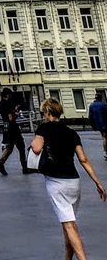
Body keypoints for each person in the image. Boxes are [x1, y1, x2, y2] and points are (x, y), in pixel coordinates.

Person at [30, 97, 106, 260]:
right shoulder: (71, 132)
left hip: (57, 183)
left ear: (48, 112)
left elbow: (36, 149)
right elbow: (83, 159)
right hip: (74, 183)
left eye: (43, 112)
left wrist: (35, 141)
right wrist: (98, 183)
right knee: (68, 225)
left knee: (69, 225)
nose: (43, 116)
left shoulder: (44, 128)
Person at [0, 87, 29, 175]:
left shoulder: (1, 104)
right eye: (10, 95)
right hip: (12, 127)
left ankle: (1, 162)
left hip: (6, 126)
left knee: (9, 147)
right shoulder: (7, 104)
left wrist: (14, 110)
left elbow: (6, 116)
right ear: (8, 95)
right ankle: (24, 168)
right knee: (21, 147)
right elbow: (11, 118)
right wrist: (17, 114)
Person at [88, 90, 107, 160]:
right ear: (101, 98)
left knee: (104, 137)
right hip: (105, 124)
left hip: (98, 125)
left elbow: (90, 117)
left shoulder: (91, 106)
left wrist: (93, 125)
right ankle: (105, 152)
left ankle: (105, 152)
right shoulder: (104, 105)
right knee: (105, 137)